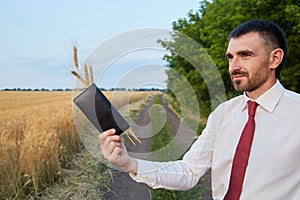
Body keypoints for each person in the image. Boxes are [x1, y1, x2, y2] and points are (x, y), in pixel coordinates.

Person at [99, 19, 300, 199]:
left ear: (275, 58)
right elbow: (189, 172)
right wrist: (130, 164)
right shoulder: (223, 114)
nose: (234, 66)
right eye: (230, 57)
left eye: (245, 55)